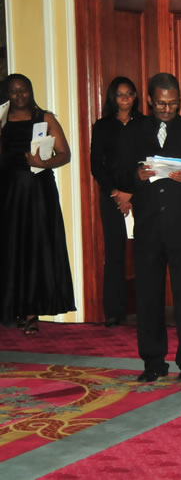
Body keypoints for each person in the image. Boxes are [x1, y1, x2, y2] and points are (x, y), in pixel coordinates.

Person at [114, 72, 181, 382]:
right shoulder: (133, 131)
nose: (167, 109)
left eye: (173, 103)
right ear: (149, 100)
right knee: (148, 295)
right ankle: (153, 361)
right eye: (161, 103)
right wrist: (137, 175)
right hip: (148, 224)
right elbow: (120, 172)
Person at [0, 73, 76, 334]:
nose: (19, 95)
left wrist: (45, 163)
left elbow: (65, 153)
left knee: (36, 248)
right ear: (7, 94)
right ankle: (16, 307)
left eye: (24, 90)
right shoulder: (2, 120)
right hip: (9, 192)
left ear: (31, 91)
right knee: (14, 248)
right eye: (14, 91)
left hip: (38, 192)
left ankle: (32, 312)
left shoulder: (45, 118)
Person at [90, 76, 142, 327]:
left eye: (129, 93)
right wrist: (116, 192)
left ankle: (146, 308)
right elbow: (96, 165)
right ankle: (114, 311)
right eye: (120, 94)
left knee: (146, 252)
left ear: (135, 97)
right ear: (113, 97)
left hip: (142, 195)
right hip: (110, 195)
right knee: (114, 253)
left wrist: (131, 192)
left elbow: (149, 160)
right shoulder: (102, 126)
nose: (125, 98)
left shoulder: (145, 124)